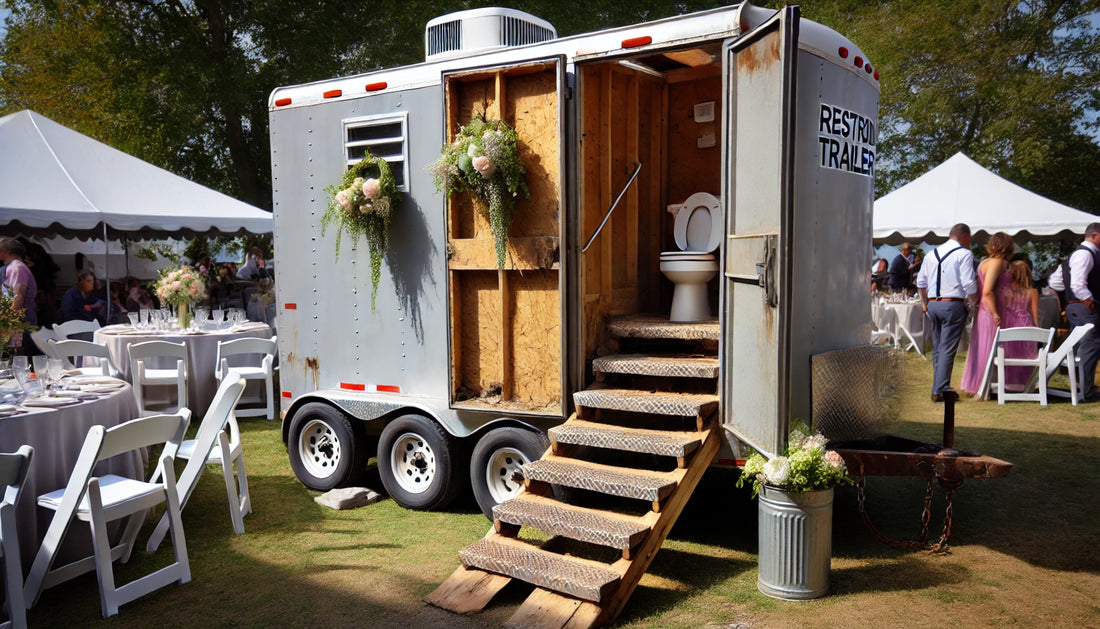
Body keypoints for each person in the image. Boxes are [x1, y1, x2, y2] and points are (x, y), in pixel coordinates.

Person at [917, 224, 978, 402]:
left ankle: (938, 387)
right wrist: (975, 302)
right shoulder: (964, 254)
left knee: (938, 348)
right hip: (952, 304)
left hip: (933, 304)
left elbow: (920, 282)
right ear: (965, 236)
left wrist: (924, 302)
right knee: (947, 349)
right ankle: (940, 390)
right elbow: (968, 283)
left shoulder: (931, 254)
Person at [960, 233, 1024, 395]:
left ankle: (984, 383)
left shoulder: (984, 262)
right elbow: (987, 291)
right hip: (992, 310)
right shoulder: (997, 263)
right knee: (992, 347)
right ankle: (989, 384)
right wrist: (995, 313)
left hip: (984, 309)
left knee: (984, 346)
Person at [1048, 222, 1100, 401]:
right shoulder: (1084, 254)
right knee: (1090, 345)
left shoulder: (1078, 255)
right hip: (1083, 306)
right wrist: (1089, 302)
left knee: (1084, 346)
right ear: (1095, 235)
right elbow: (1077, 284)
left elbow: (1055, 282)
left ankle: (1083, 386)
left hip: (1078, 305)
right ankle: (1085, 390)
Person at [0, 237, 38, 355]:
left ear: (6, 250)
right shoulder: (11, 267)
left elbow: (18, 296)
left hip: (19, 324)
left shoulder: (17, 268)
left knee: (18, 361)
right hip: (16, 323)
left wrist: (8, 323)